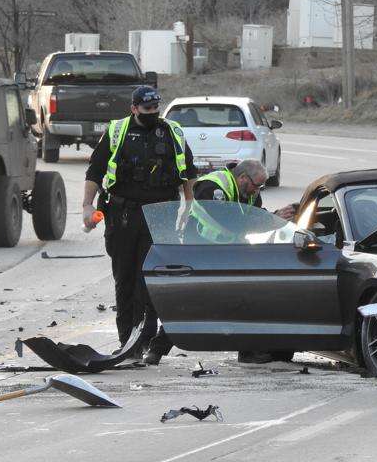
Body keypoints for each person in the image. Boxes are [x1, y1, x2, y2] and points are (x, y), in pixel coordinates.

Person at [82, 86, 198, 357]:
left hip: (160, 214)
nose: (153, 113)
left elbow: (188, 171)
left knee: (150, 280)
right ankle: (127, 343)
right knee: (125, 279)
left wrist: (189, 205)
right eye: (147, 110)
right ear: (134, 109)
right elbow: (95, 171)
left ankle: (144, 340)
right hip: (124, 214)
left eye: (156, 108)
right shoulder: (116, 131)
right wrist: (87, 205)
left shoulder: (172, 132)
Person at [143, 159, 295, 365]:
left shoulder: (249, 192)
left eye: (260, 187)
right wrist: (272, 217)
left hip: (229, 253)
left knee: (243, 298)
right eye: (256, 185)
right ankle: (156, 350)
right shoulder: (212, 187)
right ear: (242, 178)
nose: (257, 191)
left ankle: (248, 351)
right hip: (199, 252)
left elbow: (253, 219)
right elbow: (231, 221)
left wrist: (274, 220)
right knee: (189, 301)